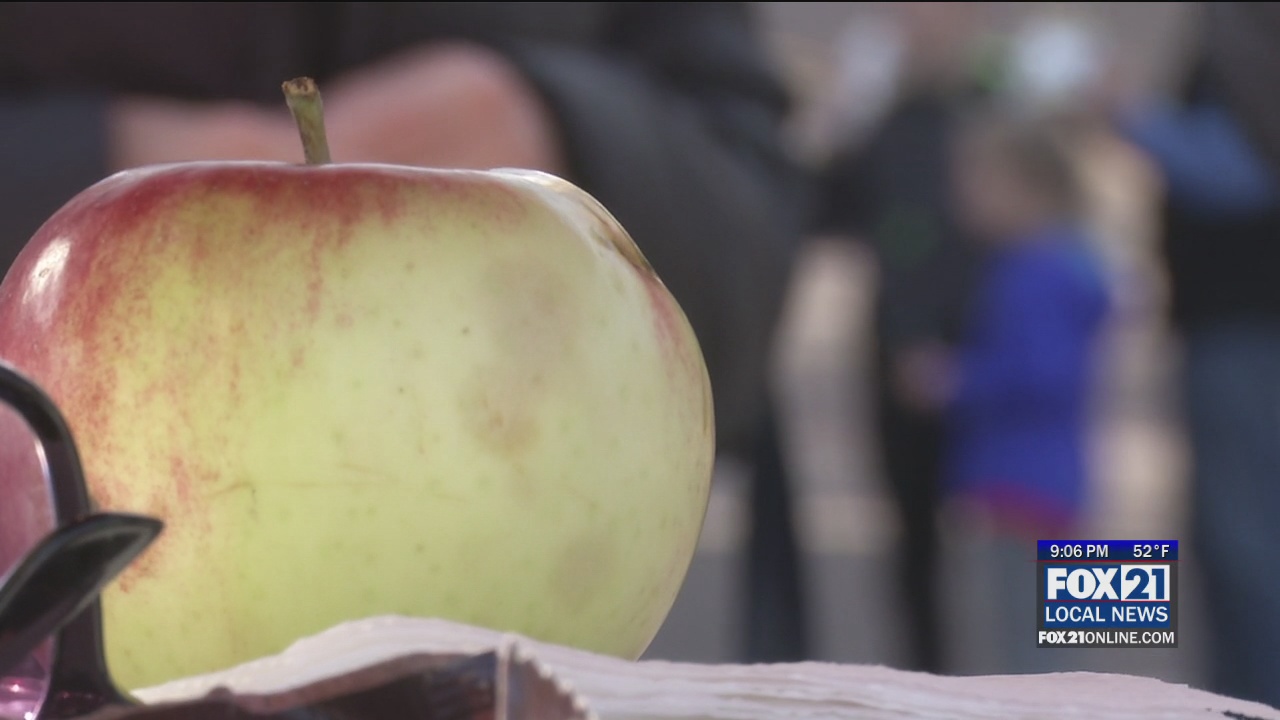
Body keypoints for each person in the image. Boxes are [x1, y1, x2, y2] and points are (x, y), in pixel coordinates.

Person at [0, 3, 804, 483]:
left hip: (515, 611)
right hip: (55, 606)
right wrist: (77, 172)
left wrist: (560, 127)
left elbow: (749, 203)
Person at [901, 113, 1111, 672]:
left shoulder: (1035, 271)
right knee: (1057, 648)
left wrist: (955, 380)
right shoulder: (1061, 264)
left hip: (1021, 487)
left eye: (978, 181)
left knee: (1026, 657)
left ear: (1029, 187)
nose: (961, 196)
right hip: (1051, 483)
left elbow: (1046, 374)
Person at [1116, 2, 1280, 704]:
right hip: (1222, 323)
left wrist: (1129, 117)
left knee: (1245, 539)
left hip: (1246, 326)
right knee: (1223, 541)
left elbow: (1245, 171)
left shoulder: (1246, 44)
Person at [817, 2, 988, 672]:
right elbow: (828, 210)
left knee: (1035, 528)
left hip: (1009, 358)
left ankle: (1088, 685)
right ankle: (931, 686)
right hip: (901, 358)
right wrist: (841, 118)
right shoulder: (883, 121)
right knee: (912, 542)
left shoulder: (1004, 109)